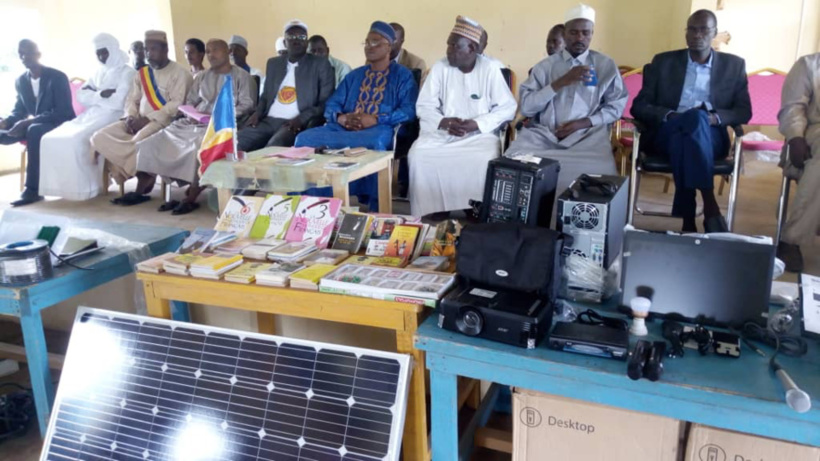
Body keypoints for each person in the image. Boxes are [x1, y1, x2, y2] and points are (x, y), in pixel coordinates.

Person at [631, 9, 751, 233]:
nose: (697, 35)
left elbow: (743, 111)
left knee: (689, 131)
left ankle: (688, 218)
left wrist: (714, 118)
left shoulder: (733, 66)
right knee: (691, 121)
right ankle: (710, 204)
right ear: (686, 33)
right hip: (666, 130)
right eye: (692, 29)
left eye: (704, 29)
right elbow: (639, 106)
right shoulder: (664, 62)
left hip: (712, 135)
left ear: (714, 33)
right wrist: (669, 115)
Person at [505, 4, 627, 197]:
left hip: (587, 138)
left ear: (592, 34)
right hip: (544, 136)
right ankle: (527, 221)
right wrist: (560, 82)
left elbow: (616, 106)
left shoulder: (605, 65)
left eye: (585, 33)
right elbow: (527, 108)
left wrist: (584, 122)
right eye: (573, 32)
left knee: (601, 174)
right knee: (511, 162)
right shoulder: (545, 67)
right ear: (565, 33)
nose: (580, 38)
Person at [296, 21, 418, 210]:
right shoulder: (354, 76)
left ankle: (373, 204)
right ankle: (309, 202)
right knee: (304, 138)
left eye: (376, 42)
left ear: (389, 46)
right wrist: (341, 118)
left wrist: (377, 119)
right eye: (367, 42)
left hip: (380, 128)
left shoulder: (403, 76)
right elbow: (332, 104)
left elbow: (409, 110)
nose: (369, 47)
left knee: (374, 142)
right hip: (342, 128)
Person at [408, 16, 517, 218]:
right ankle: (435, 207)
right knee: (418, 155)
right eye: (448, 44)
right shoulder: (440, 68)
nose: (448, 50)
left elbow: (507, 108)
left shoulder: (491, 69)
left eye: (455, 46)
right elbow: (424, 106)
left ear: (472, 48)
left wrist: (477, 123)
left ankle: (474, 207)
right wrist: (444, 121)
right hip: (442, 133)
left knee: (485, 158)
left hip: (479, 136)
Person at [136, 39, 255, 215]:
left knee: (197, 147)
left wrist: (219, 117)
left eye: (215, 50)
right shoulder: (202, 76)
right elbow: (191, 101)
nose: (211, 55)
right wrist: (190, 113)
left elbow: (247, 104)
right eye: (208, 51)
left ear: (227, 52)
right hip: (194, 122)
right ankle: (142, 190)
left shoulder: (242, 77)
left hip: (221, 125)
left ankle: (191, 196)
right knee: (155, 140)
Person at [91, 30, 193, 206]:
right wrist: (130, 117)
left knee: (138, 142)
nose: (148, 54)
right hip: (136, 120)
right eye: (146, 50)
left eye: (153, 49)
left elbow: (177, 104)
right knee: (98, 137)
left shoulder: (180, 73)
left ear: (165, 49)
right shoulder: (143, 73)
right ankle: (143, 174)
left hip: (163, 121)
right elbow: (132, 99)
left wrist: (147, 119)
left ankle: (143, 181)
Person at [39, 33, 135, 201]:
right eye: (98, 53)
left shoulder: (127, 72)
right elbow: (80, 96)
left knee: (76, 140)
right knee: (50, 138)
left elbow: (119, 102)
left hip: (114, 116)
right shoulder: (98, 72)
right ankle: (62, 188)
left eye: (104, 52)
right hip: (91, 114)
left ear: (113, 50)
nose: (101, 57)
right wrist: (101, 95)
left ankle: (88, 187)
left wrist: (94, 95)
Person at [237, 20, 334, 151]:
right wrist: (257, 114)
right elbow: (266, 96)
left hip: (293, 124)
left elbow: (325, 102)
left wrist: (302, 119)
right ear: (284, 42)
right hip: (267, 121)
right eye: (291, 37)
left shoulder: (320, 64)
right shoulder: (273, 64)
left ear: (306, 41)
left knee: (271, 150)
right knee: (234, 143)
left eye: (301, 37)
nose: (297, 40)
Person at [0, 39, 74, 206]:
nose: (23, 57)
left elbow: (63, 111)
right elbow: (20, 110)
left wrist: (27, 123)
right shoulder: (21, 81)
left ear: (38, 54)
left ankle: (33, 190)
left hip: (60, 123)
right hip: (36, 125)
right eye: (20, 54)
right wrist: (6, 122)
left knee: (34, 129)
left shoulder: (57, 77)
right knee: (6, 133)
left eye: (27, 52)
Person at [775, 53, 820, 272]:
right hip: (813, 132)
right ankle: (791, 240)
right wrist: (795, 137)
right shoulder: (808, 65)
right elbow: (792, 108)